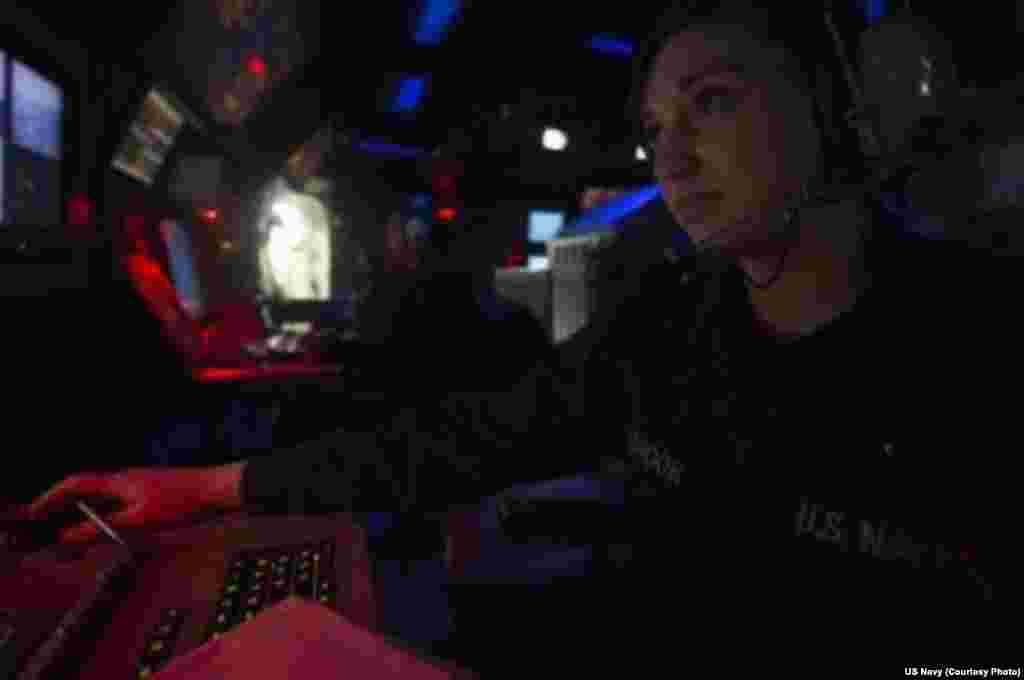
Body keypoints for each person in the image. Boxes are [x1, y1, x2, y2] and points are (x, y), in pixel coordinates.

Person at [25, 0, 1017, 659]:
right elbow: (461, 438)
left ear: (841, 111)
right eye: (655, 130)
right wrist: (198, 489)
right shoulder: (669, 326)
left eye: (712, 102)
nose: (672, 158)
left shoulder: (982, 342)